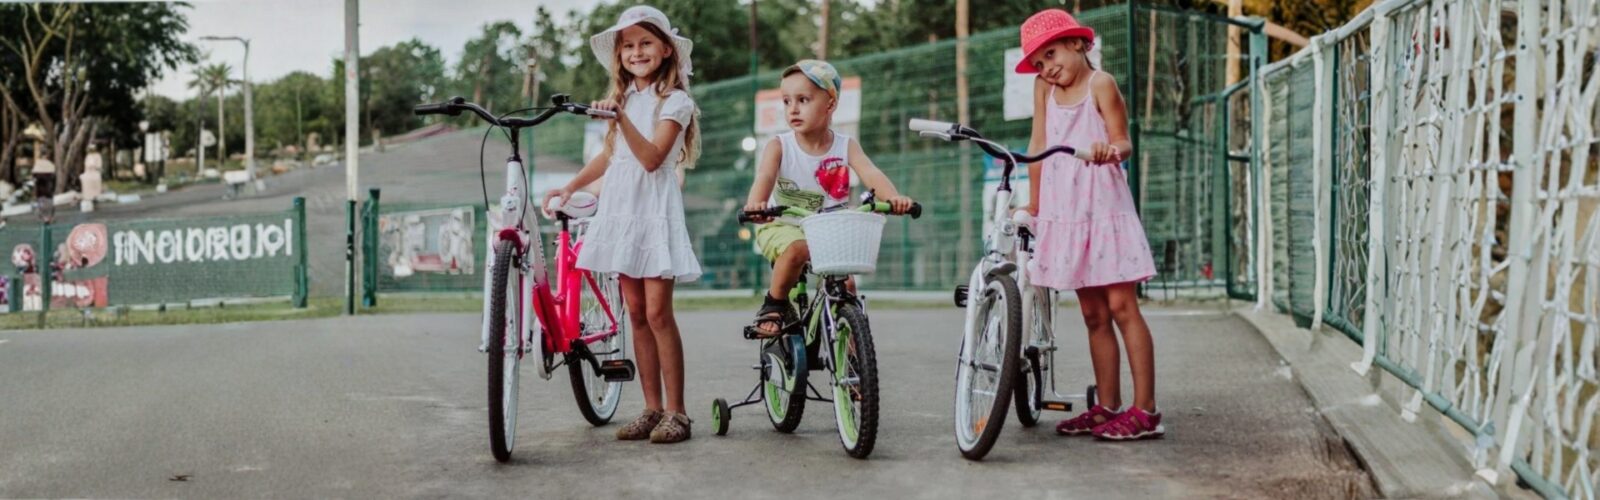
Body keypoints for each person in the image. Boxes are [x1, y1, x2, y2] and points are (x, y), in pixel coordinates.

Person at [544, 5, 702, 444]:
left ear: (666, 49)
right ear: (619, 55)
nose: (636, 52)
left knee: (657, 313)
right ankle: (651, 409)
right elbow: (612, 156)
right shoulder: (625, 98)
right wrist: (570, 185)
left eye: (645, 42)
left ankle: (678, 412)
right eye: (628, 45)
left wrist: (620, 116)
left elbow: (652, 159)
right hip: (620, 211)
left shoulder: (676, 101)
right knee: (634, 312)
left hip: (652, 212)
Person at [1016, 9, 1163, 440]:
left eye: (1052, 53)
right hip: (1068, 214)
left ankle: (1146, 410)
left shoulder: (1101, 83)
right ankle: (1107, 406)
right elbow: (1039, 145)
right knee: (1093, 314)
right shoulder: (1043, 89)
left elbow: (1124, 141)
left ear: (1079, 43)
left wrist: (1109, 150)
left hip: (1104, 210)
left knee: (1122, 308)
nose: (1048, 67)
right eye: (1040, 62)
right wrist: (1038, 204)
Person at [741, 59, 913, 338]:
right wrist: (757, 204)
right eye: (786, 101)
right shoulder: (779, 145)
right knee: (797, 249)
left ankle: (856, 366)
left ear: (830, 104)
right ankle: (774, 305)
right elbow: (764, 177)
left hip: (828, 230)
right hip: (782, 224)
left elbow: (871, 173)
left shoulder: (846, 146)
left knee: (848, 287)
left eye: (803, 100)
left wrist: (893, 198)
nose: (793, 108)